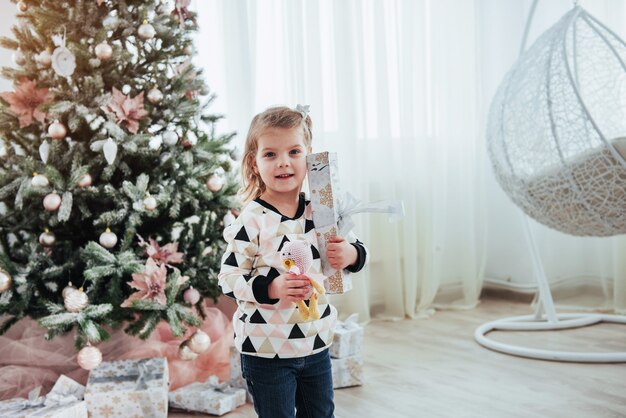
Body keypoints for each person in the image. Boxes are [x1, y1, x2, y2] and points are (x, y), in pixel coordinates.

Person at [218, 105, 368, 418]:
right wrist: (272, 288)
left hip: (316, 343)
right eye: (270, 154)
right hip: (266, 350)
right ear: (254, 162)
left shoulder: (322, 211)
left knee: (321, 414)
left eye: (294, 151)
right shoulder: (252, 220)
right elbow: (229, 279)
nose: (283, 162)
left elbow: (354, 248)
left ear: (308, 156)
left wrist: (351, 254)